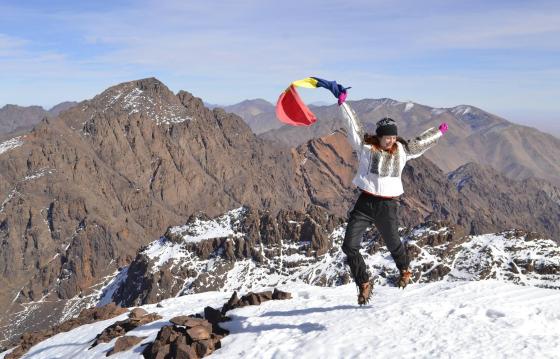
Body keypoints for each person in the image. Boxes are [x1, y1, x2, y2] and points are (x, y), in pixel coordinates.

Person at [338, 100, 448, 305]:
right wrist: (342, 104)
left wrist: (438, 133)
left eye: (393, 136)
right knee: (349, 245)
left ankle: (404, 268)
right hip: (365, 203)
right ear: (379, 136)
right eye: (387, 137)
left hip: (387, 205)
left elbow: (421, 143)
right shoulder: (366, 148)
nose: (391, 140)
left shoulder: (402, 150)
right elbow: (353, 126)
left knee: (393, 242)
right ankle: (363, 283)